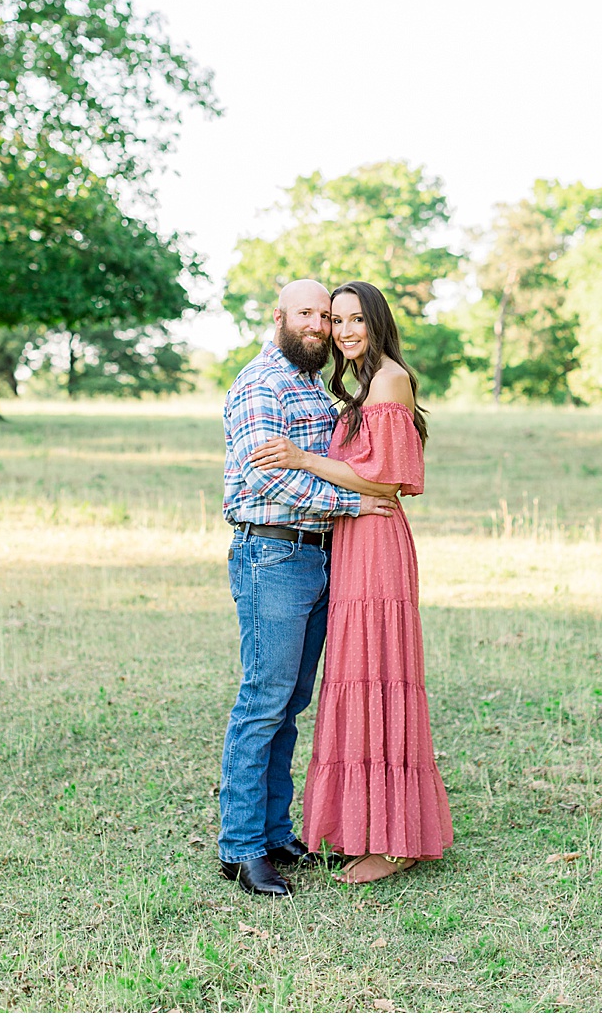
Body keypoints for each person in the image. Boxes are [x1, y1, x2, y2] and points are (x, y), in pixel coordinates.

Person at [249, 279, 454, 884]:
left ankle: (396, 842)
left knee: (380, 677)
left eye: (356, 319)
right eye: (337, 321)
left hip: (377, 539)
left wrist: (303, 458)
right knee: (354, 678)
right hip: (352, 538)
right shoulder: (357, 385)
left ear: (378, 322)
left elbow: (387, 480)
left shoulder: (389, 378)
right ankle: (367, 826)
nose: (344, 331)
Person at [219, 279, 398, 898]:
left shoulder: (310, 385)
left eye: (326, 316)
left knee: (291, 704)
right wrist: (353, 503)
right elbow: (269, 484)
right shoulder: (260, 384)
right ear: (278, 317)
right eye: (307, 314)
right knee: (263, 701)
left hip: (318, 556)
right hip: (272, 552)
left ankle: (273, 831)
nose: (319, 326)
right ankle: (241, 848)